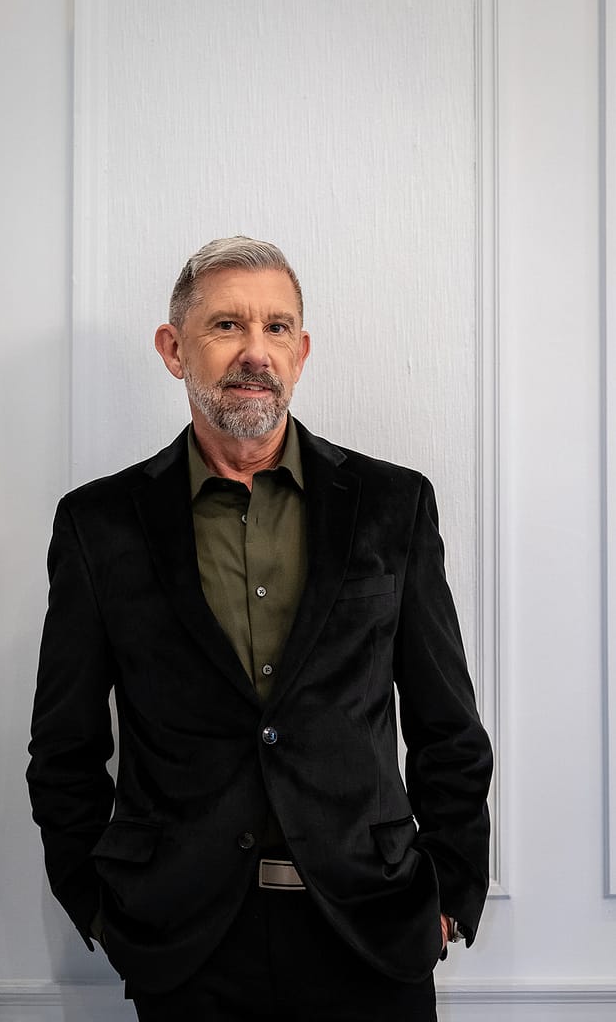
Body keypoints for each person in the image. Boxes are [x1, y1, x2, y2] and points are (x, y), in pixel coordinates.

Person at [27, 237, 493, 1021]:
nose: (255, 351)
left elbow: (446, 724)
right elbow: (64, 746)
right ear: (173, 350)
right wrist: (100, 904)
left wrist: (446, 888)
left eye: (277, 328)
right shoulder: (98, 525)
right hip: (186, 940)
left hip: (370, 924)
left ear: (301, 351)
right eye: (226, 327)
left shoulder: (392, 503)